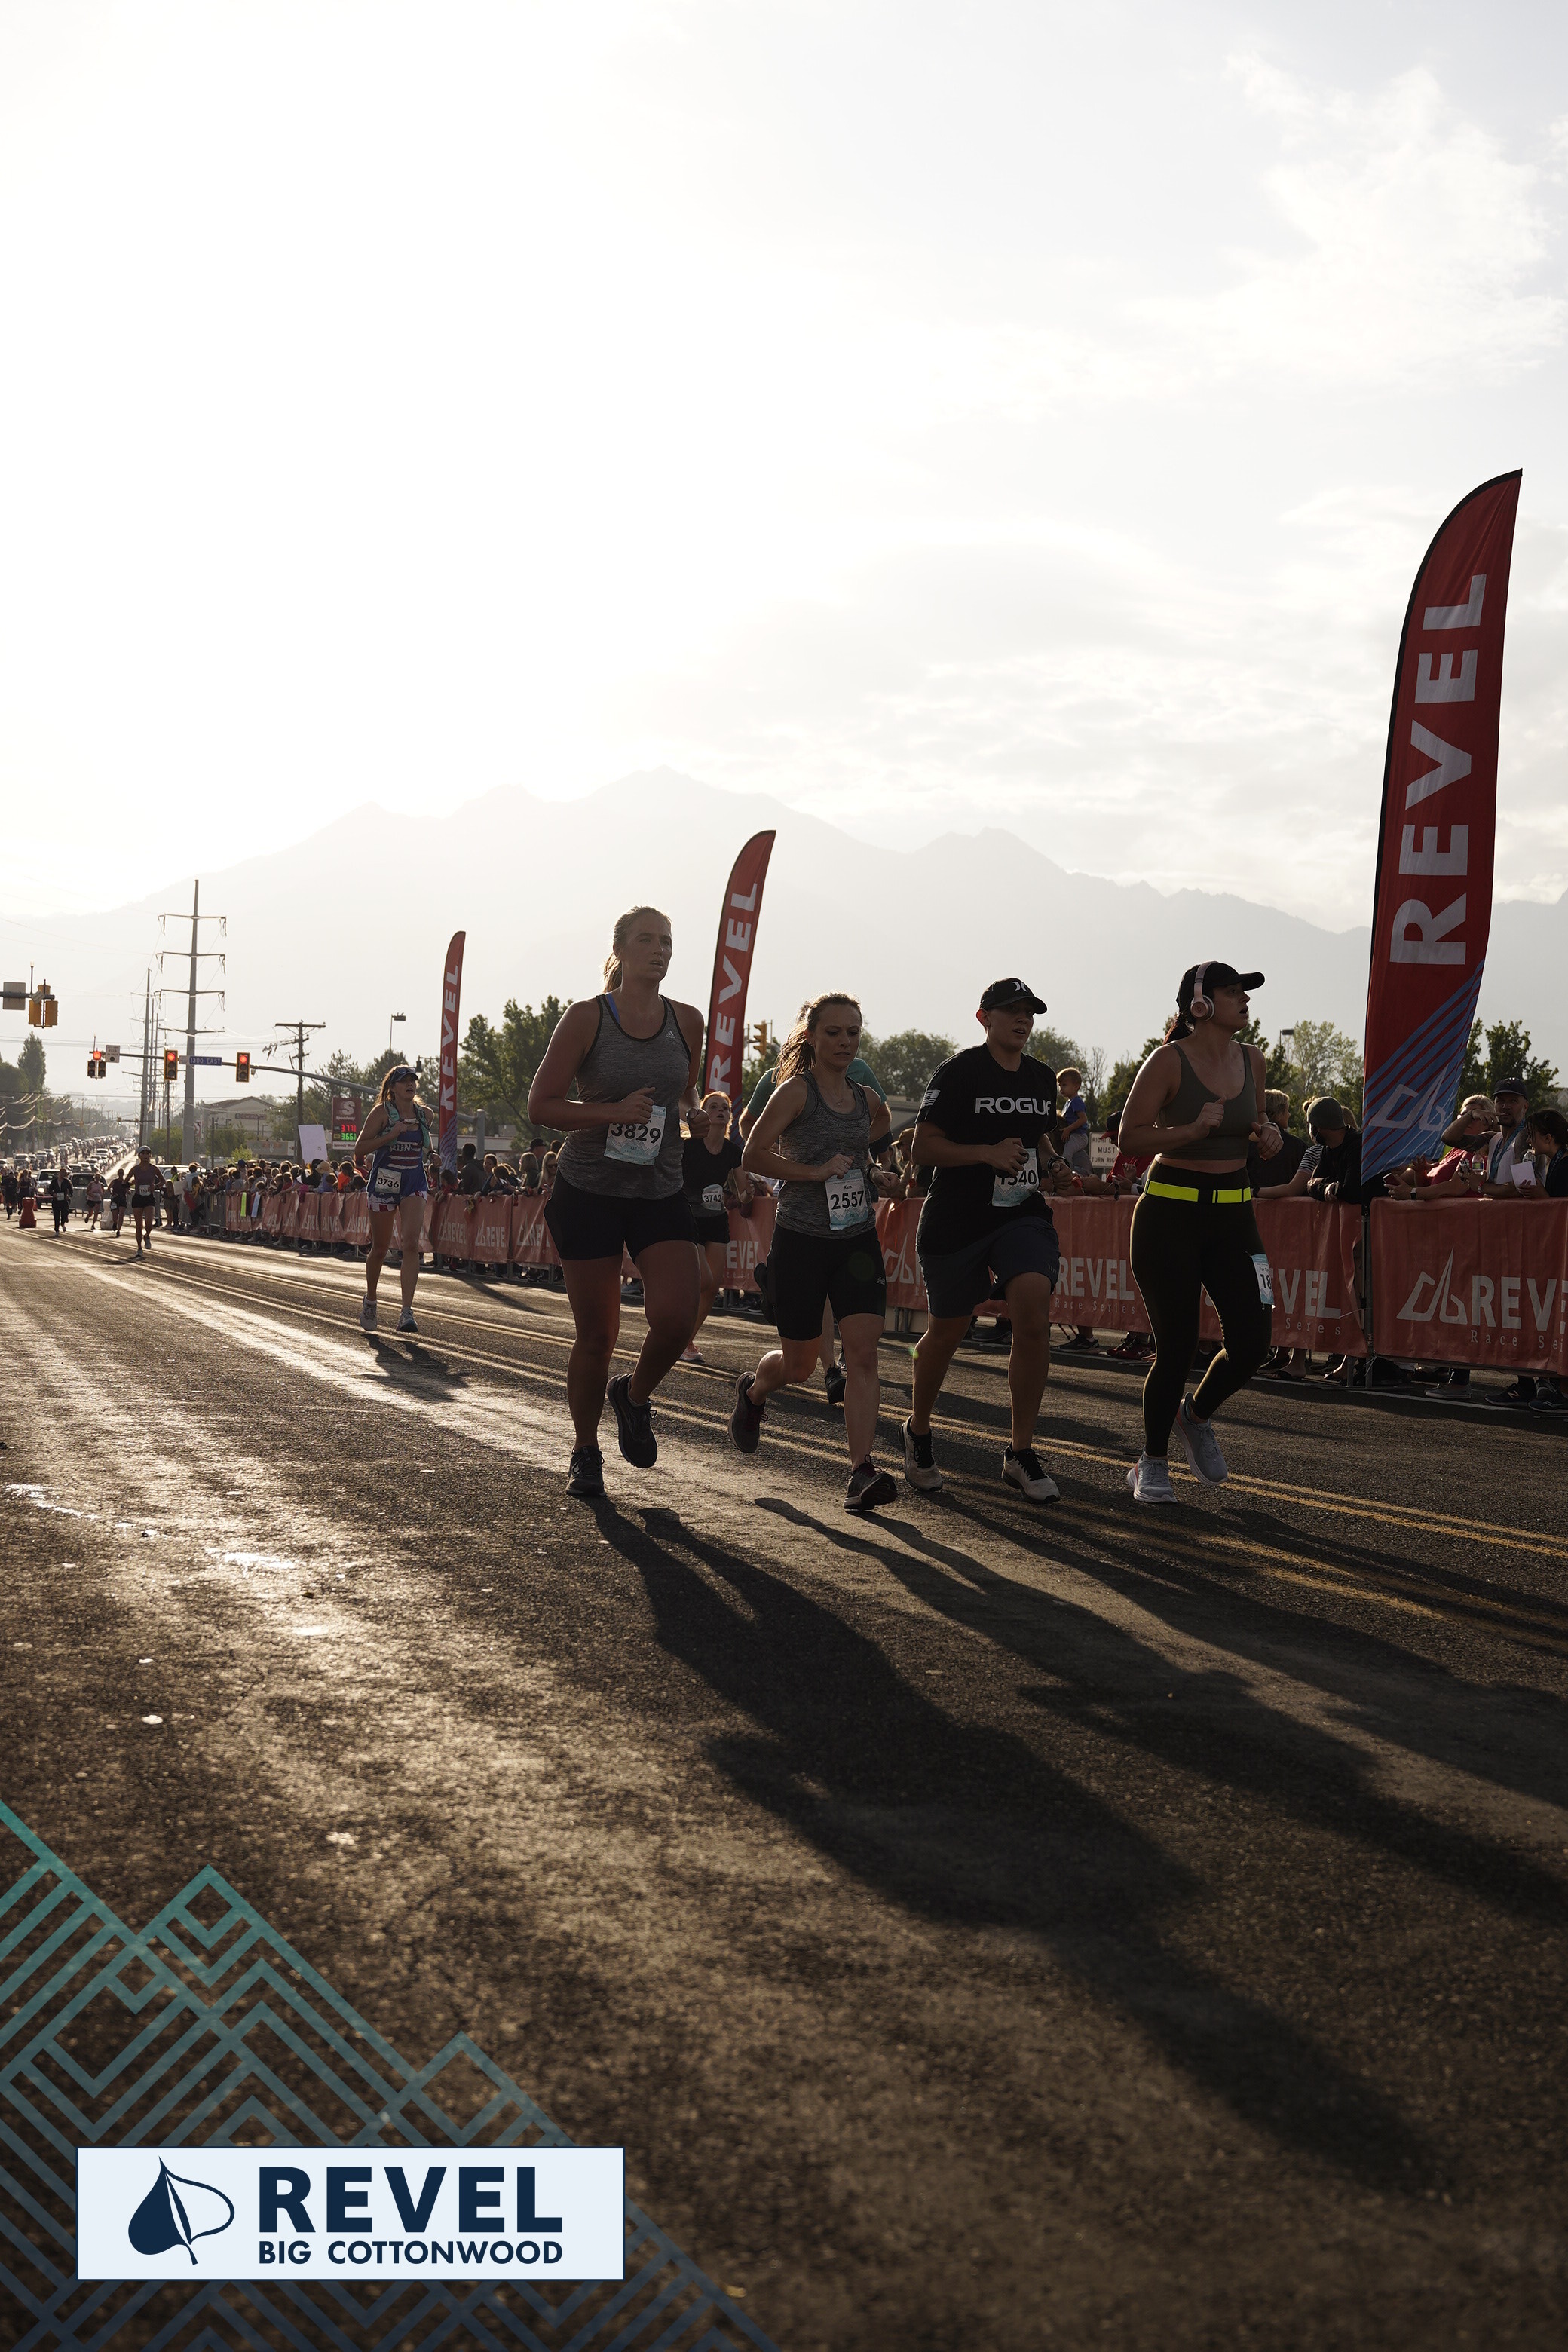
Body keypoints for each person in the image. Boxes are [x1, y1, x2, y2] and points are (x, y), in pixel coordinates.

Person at [528, 905, 709, 1499]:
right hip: (590, 1192)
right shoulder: (588, 1018)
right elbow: (542, 1106)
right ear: (621, 950)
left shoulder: (687, 1020)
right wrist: (612, 1112)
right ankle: (585, 1450)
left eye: (667, 942)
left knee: (677, 1318)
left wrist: (697, 1117)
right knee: (598, 1336)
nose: (659, 950)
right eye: (647, 940)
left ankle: (632, 1396)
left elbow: (682, 1097)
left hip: (658, 1189)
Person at [1116, 963, 1282, 1505]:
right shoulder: (1168, 1060)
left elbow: (1257, 1121)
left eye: (1244, 994)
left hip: (1234, 1218)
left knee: (1253, 1344)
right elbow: (1129, 1137)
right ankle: (1151, 1461)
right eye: (1233, 992)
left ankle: (1196, 1415)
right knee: (1177, 1348)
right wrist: (1190, 1129)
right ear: (1200, 1005)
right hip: (1170, 1216)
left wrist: (1268, 1134)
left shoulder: (1253, 1059)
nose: (1245, 1001)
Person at [902, 979, 1071, 1501]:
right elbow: (921, 1146)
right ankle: (918, 1429)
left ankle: (1020, 1452)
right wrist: (985, 1153)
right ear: (984, 1018)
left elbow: (1038, 1134)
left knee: (1033, 1311)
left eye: (1029, 1013)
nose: (1022, 1020)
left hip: (1020, 1213)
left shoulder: (1041, 1077)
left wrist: (1054, 1163)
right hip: (957, 1218)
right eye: (1011, 1011)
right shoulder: (958, 1072)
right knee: (946, 1333)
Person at [729, 994, 897, 1510]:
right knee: (800, 1366)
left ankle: (861, 1471)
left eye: (854, 1032)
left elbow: (875, 1137)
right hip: (802, 1240)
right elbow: (753, 1154)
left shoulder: (867, 1099)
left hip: (856, 1240)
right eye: (834, 1032)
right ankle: (754, 1392)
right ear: (812, 1037)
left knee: (863, 1355)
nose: (845, 1042)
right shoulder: (795, 1092)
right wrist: (813, 1172)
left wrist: (870, 1172)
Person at [354, 1065, 434, 1334]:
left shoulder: (425, 1115)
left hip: (413, 1182)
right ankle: (371, 1300)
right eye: (404, 1081)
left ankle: (406, 1312)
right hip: (385, 1182)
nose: (410, 1085)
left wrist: (433, 1156)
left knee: (411, 1244)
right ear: (393, 1087)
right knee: (380, 1248)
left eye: (413, 1081)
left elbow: (426, 1145)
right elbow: (359, 1148)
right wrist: (390, 1135)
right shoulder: (382, 1113)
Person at [681, 1090, 751, 1361]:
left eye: (725, 1107)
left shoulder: (733, 1152)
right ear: (703, 1113)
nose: (720, 1110)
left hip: (716, 1219)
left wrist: (747, 1194)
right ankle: (674, 1330)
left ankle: (686, 1341)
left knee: (712, 1288)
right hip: (689, 1218)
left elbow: (743, 1192)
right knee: (703, 1280)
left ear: (730, 1117)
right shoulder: (688, 1147)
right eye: (713, 1106)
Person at [127, 1150, 163, 1254]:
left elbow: (163, 1181)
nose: (146, 1156)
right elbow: (125, 1182)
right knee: (139, 1226)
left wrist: (155, 1186)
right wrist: (131, 1183)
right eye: (143, 1154)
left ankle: (147, 1236)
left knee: (149, 1224)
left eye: (147, 1154)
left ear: (150, 1156)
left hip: (149, 1198)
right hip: (138, 1198)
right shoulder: (135, 1169)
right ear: (140, 1156)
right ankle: (139, 1248)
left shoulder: (154, 1169)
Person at [51, 1165, 73, 1234]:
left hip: (64, 1200)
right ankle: (57, 1230)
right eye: (61, 1173)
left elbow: (71, 1191)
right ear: (59, 1173)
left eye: (63, 1173)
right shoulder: (54, 1181)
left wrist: (68, 1196)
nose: (62, 1174)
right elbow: (50, 1190)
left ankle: (63, 1223)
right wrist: (53, 1194)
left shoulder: (67, 1182)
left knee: (65, 1213)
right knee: (56, 1216)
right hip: (56, 1200)